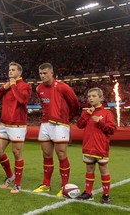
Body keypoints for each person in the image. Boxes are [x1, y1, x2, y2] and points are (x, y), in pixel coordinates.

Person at [33, 63, 80, 196]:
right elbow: (43, 104)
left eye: (45, 73)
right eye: (41, 73)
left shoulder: (63, 87)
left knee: (61, 155)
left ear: (52, 73)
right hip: (45, 124)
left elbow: (75, 104)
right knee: (47, 155)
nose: (42, 76)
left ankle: (64, 186)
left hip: (60, 124)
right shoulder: (38, 88)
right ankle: (46, 185)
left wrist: (67, 117)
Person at [0, 62, 32, 194]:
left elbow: (22, 100)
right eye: (9, 70)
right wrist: (4, 87)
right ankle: (10, 175)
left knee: (16, 153)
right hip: (4, 124)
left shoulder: (25, 86)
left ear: (19, 73)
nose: (10, 72)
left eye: (13, 70)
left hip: (18, 125)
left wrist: (13, 85)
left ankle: (18, 184)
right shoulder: (7, 85)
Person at [76, 87, 116, 204]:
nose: (91, 98)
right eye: (89, 96)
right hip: (88, 146)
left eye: (94, 96)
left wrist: (100, 122)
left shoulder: (107, 113)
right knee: (89, 170)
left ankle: (106, 195)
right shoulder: (86, 112)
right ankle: (88, 193)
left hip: (101, 147)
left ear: (101, 98)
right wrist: (86, 115)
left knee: (103, 170)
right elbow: (79, 125)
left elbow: (112, 130)